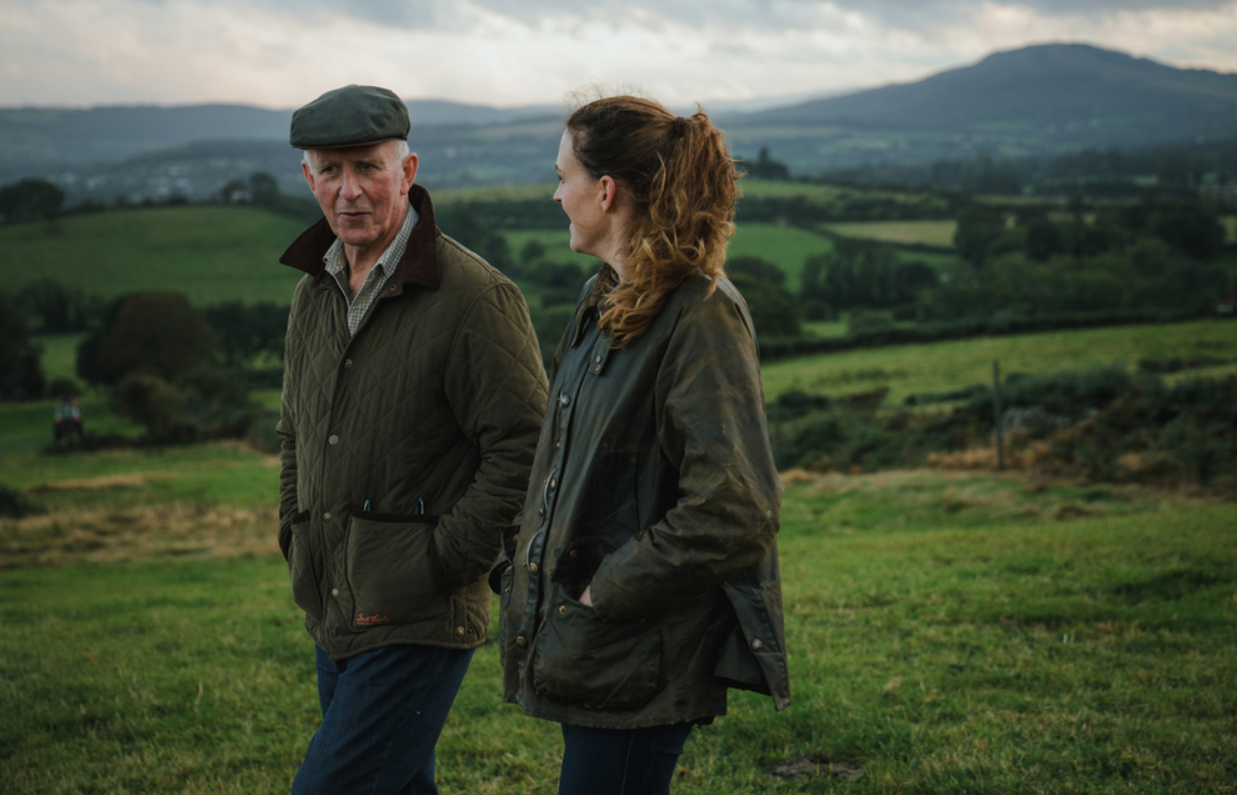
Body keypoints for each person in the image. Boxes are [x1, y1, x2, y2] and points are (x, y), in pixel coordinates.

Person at [497, 95, 790, 795]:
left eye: (562, 175)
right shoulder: (602, 297)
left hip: (637, 647)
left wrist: (606, 590)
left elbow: (735, 509)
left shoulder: (701, 315)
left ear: (605, 191)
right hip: (594, 637)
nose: (555, 193)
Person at [276, 84, 548, 795]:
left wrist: (438, 563)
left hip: (417, 614)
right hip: (332, 600)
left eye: (367, 166)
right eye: (329, 171)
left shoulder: (475, 298)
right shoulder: (313, 290)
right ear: (308, 178)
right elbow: (295, 432)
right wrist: (294, 530)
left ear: (408, 170)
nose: (348, 190)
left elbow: (525, 446)